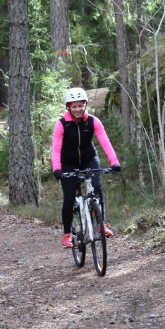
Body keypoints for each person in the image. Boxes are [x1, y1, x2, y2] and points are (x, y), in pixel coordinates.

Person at [51, 87, 121, 248]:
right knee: (69, 198)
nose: (77, 109)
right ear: (68, 107)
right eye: (74, 106)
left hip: (89, 159)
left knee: (97, 187)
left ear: (85, 105)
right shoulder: (62, 125)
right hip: (68, 163)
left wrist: (114, 162)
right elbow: (56, 148)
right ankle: (67, 234)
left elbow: (105, 142)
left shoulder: (93, 121)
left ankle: (101, 225)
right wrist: (57, 168)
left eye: (80, 105)